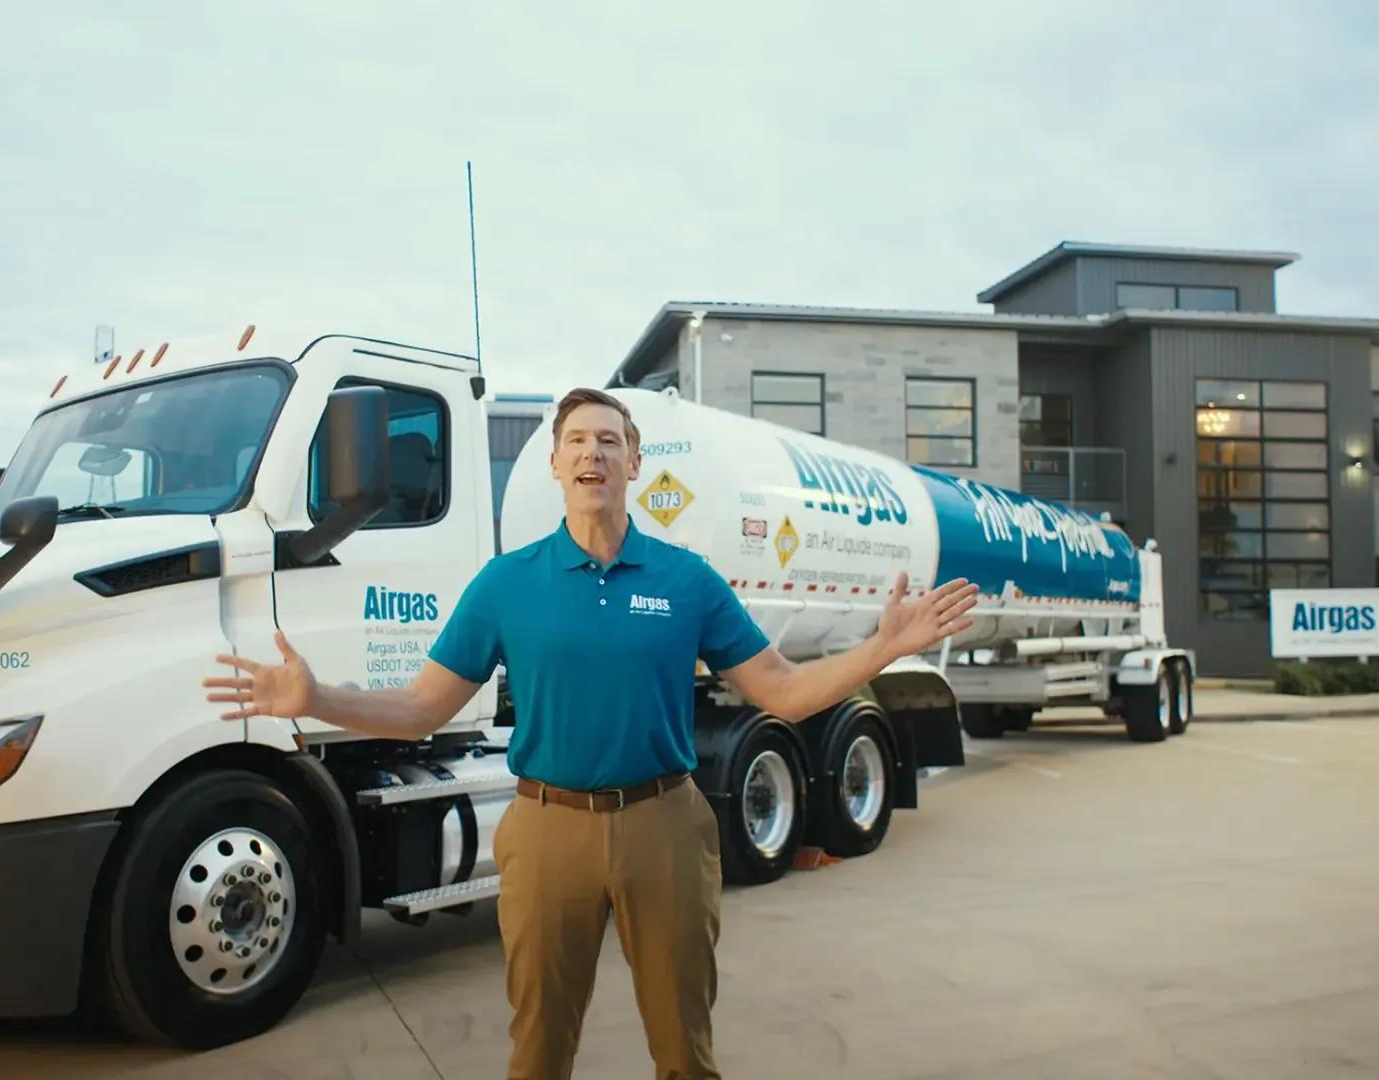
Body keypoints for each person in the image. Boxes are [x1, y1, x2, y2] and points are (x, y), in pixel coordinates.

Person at [205, 387, 979, 1079]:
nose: (593, 453)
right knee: (540, 1048)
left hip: (665, 826)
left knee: (684, 1047)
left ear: (635, 463)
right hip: (548, 829)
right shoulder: (507, 583)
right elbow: (422, 708)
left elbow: (780, 690)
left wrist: (881, 648)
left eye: (610, 441)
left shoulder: (687, 580)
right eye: (576, 440)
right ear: (555, 464)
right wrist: (317, 697)